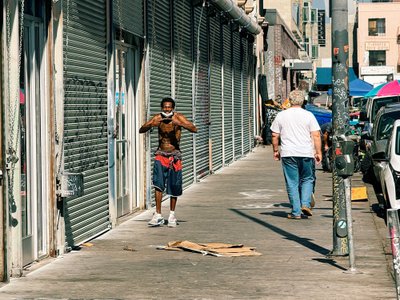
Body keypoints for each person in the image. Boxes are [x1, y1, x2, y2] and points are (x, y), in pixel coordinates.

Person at [139, 97, 197, 227]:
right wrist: (150, 125)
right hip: (161, 154)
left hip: (174, 155)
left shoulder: (178, 117)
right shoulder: (157, 118)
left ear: (173, 108)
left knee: (174, 186)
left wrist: (180, 124)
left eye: (169, 107)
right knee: (158, 185)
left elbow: (194, 129)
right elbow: (141, 130)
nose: (167, 109)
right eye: (165, 107)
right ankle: (158, 215)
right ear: (162, 108)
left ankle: (171, 215)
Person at [270, 90, 322, 219]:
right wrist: (318, 152)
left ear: (290, 100)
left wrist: (276, 151)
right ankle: (305, 203)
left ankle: (296, 212)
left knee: (292, 182)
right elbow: (316, 135)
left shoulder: (281, 115)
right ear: (303, 100)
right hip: (306, 152)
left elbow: (274, 135)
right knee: (307, 179)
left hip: (288, 153)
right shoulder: (309, 115)